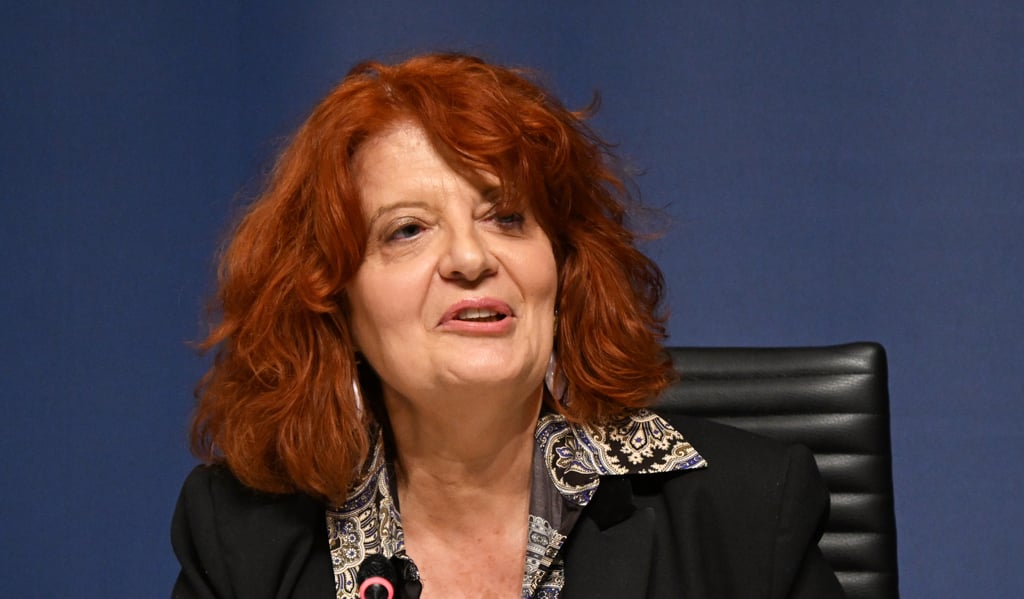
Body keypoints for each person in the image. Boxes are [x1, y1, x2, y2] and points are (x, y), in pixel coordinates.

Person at [171, 53, 845, 599]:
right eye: (407, 230)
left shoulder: (747, 510)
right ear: (333, 302)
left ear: (563, 271)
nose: (470, 258)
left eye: (507, 217)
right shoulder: (242, 538)